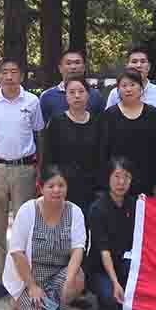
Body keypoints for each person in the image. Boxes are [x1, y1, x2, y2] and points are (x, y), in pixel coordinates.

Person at [0, 58, 45, 303]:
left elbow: (39, 134)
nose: (9, 76)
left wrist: (40, 169)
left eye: (14, 71)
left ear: (21, 75)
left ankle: (22, 279)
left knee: (24, 227)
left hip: (24, 170)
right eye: (5, 72)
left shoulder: (32, 101)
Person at [3, 164, 87, 310]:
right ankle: (17, 304)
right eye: (51, 186)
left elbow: (78, 249)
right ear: (41, 188)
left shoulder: (75, 212)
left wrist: (69, 281)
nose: (56, 190)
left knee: (77, 277)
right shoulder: (28, 210)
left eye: (61, 185)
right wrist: (32, 286)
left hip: (58, 274)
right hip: (29, 277)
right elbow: (17, 253)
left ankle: (56, 306)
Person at [42, 75, 102, 220]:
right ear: (66, 96)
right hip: (63, 188)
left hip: (92, 189)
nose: (77, 96)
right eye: (72, 92)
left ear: (88, 95)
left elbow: (102, 156)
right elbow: (48, 157)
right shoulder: (56, 122)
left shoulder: (98, 122)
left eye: (81, 92)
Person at [99, 70, 156, 196]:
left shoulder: (154, 114)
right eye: (124, 86)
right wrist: (104, 182)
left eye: (132, 85)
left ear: (141, 88)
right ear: (118, 90)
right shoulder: (109, 115)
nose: (128, 89)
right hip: (117, 180)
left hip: (146, 179)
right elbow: (103, 152)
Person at [106, 47, 156, 167]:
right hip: (119, 162)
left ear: (149, 67)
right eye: (134, 61)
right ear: (127, 66)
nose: (138, 65)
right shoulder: (115, 93)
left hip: (149, 158)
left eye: (143, 61)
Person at [87, 157, 136, 310]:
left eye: (126, 177)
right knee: (112, 300)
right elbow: (104, 250)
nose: (121, 182)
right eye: (117, 176)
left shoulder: (134, 205)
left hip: (125, 264)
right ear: (108, 177)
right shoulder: (97, 208)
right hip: (101, 269)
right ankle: (103, 305)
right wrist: (115, 283)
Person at [39, 49, 105, 124]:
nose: (73, 67)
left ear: (84, 67)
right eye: (68, 63)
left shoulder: (95, 95)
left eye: (77, 63)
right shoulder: (47, 96)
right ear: (60, 68)